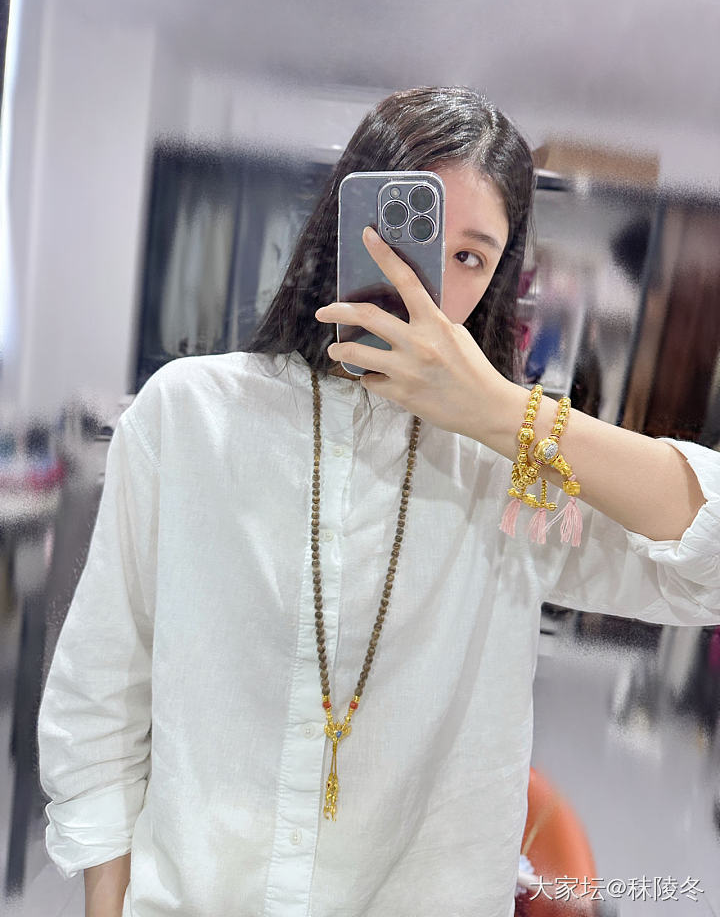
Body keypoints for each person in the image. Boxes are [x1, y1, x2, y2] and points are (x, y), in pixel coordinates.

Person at [37, 86, 720, 917]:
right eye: (404, 237)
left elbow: (707, 565)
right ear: (342, 222)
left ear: (500, 278)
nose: (422, 283)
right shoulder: (190, 416)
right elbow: (101, 697)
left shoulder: (515, 466)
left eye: (469, 258)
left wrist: (502, 412)